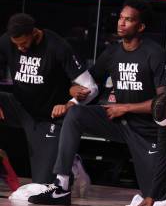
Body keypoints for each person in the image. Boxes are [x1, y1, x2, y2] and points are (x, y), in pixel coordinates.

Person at [28, 0, 166, 206]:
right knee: (75, 114)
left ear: (140, 27)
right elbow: (89, 84)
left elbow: (164, 102)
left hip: (145, 129)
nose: (121, 23)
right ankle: (61, 185)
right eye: (121, 18)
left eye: (128, 20)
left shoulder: (154, 53)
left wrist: (125, 107)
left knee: (156, 196)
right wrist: (72, 93)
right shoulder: (113, 52)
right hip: (118, 122)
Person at [0, 13, 98, 183]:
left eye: (23, 44)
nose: (19, 49)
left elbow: (92, 88)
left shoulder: (58, 47)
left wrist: (69, 104)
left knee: (43, 185)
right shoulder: (6, 41)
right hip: (18, 107)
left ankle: (71, 161)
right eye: (16, 45)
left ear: (34, 33)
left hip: (48, 116)